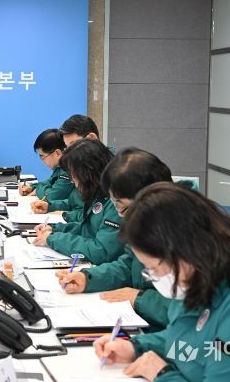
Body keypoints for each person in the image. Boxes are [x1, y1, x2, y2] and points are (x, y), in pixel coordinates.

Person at [95, 183, 230, 381]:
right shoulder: (203, 274)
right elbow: (189, 338)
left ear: (184, 250)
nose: (154, 276)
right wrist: (136, 346)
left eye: (154, 268)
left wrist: (162, 374)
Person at [57, 147, 174, 329]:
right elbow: (128, 265)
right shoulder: (148, 222)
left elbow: (194, 311)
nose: (120, 215)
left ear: (150, 197)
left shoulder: (185, 234)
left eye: (122, 206)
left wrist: (139, 298)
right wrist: (88, 279)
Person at [32, 138, 122, 265]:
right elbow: (88, 229)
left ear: (88, 174)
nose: (73, 181)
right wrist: (55, 229)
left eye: (74, 175)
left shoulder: (117, 203)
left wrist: (53, 239)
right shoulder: (98, 193)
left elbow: (101, 251)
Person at [31, 113, 102, 217]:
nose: (67, 154)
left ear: (91, 138)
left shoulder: (110, 172)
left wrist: (65, 218)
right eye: (67, 147)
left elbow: (91, 219)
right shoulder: (85, 167)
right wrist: (50, 207)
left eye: (73, 145)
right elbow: (74, 202)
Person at [18, 129, 75, 203]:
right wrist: (32, 187)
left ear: (57, 153)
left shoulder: (68, 169)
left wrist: (37, 190)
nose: (42, 160)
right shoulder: (60, 167)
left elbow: (52, 196)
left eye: (42, 156)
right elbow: (48, 182)